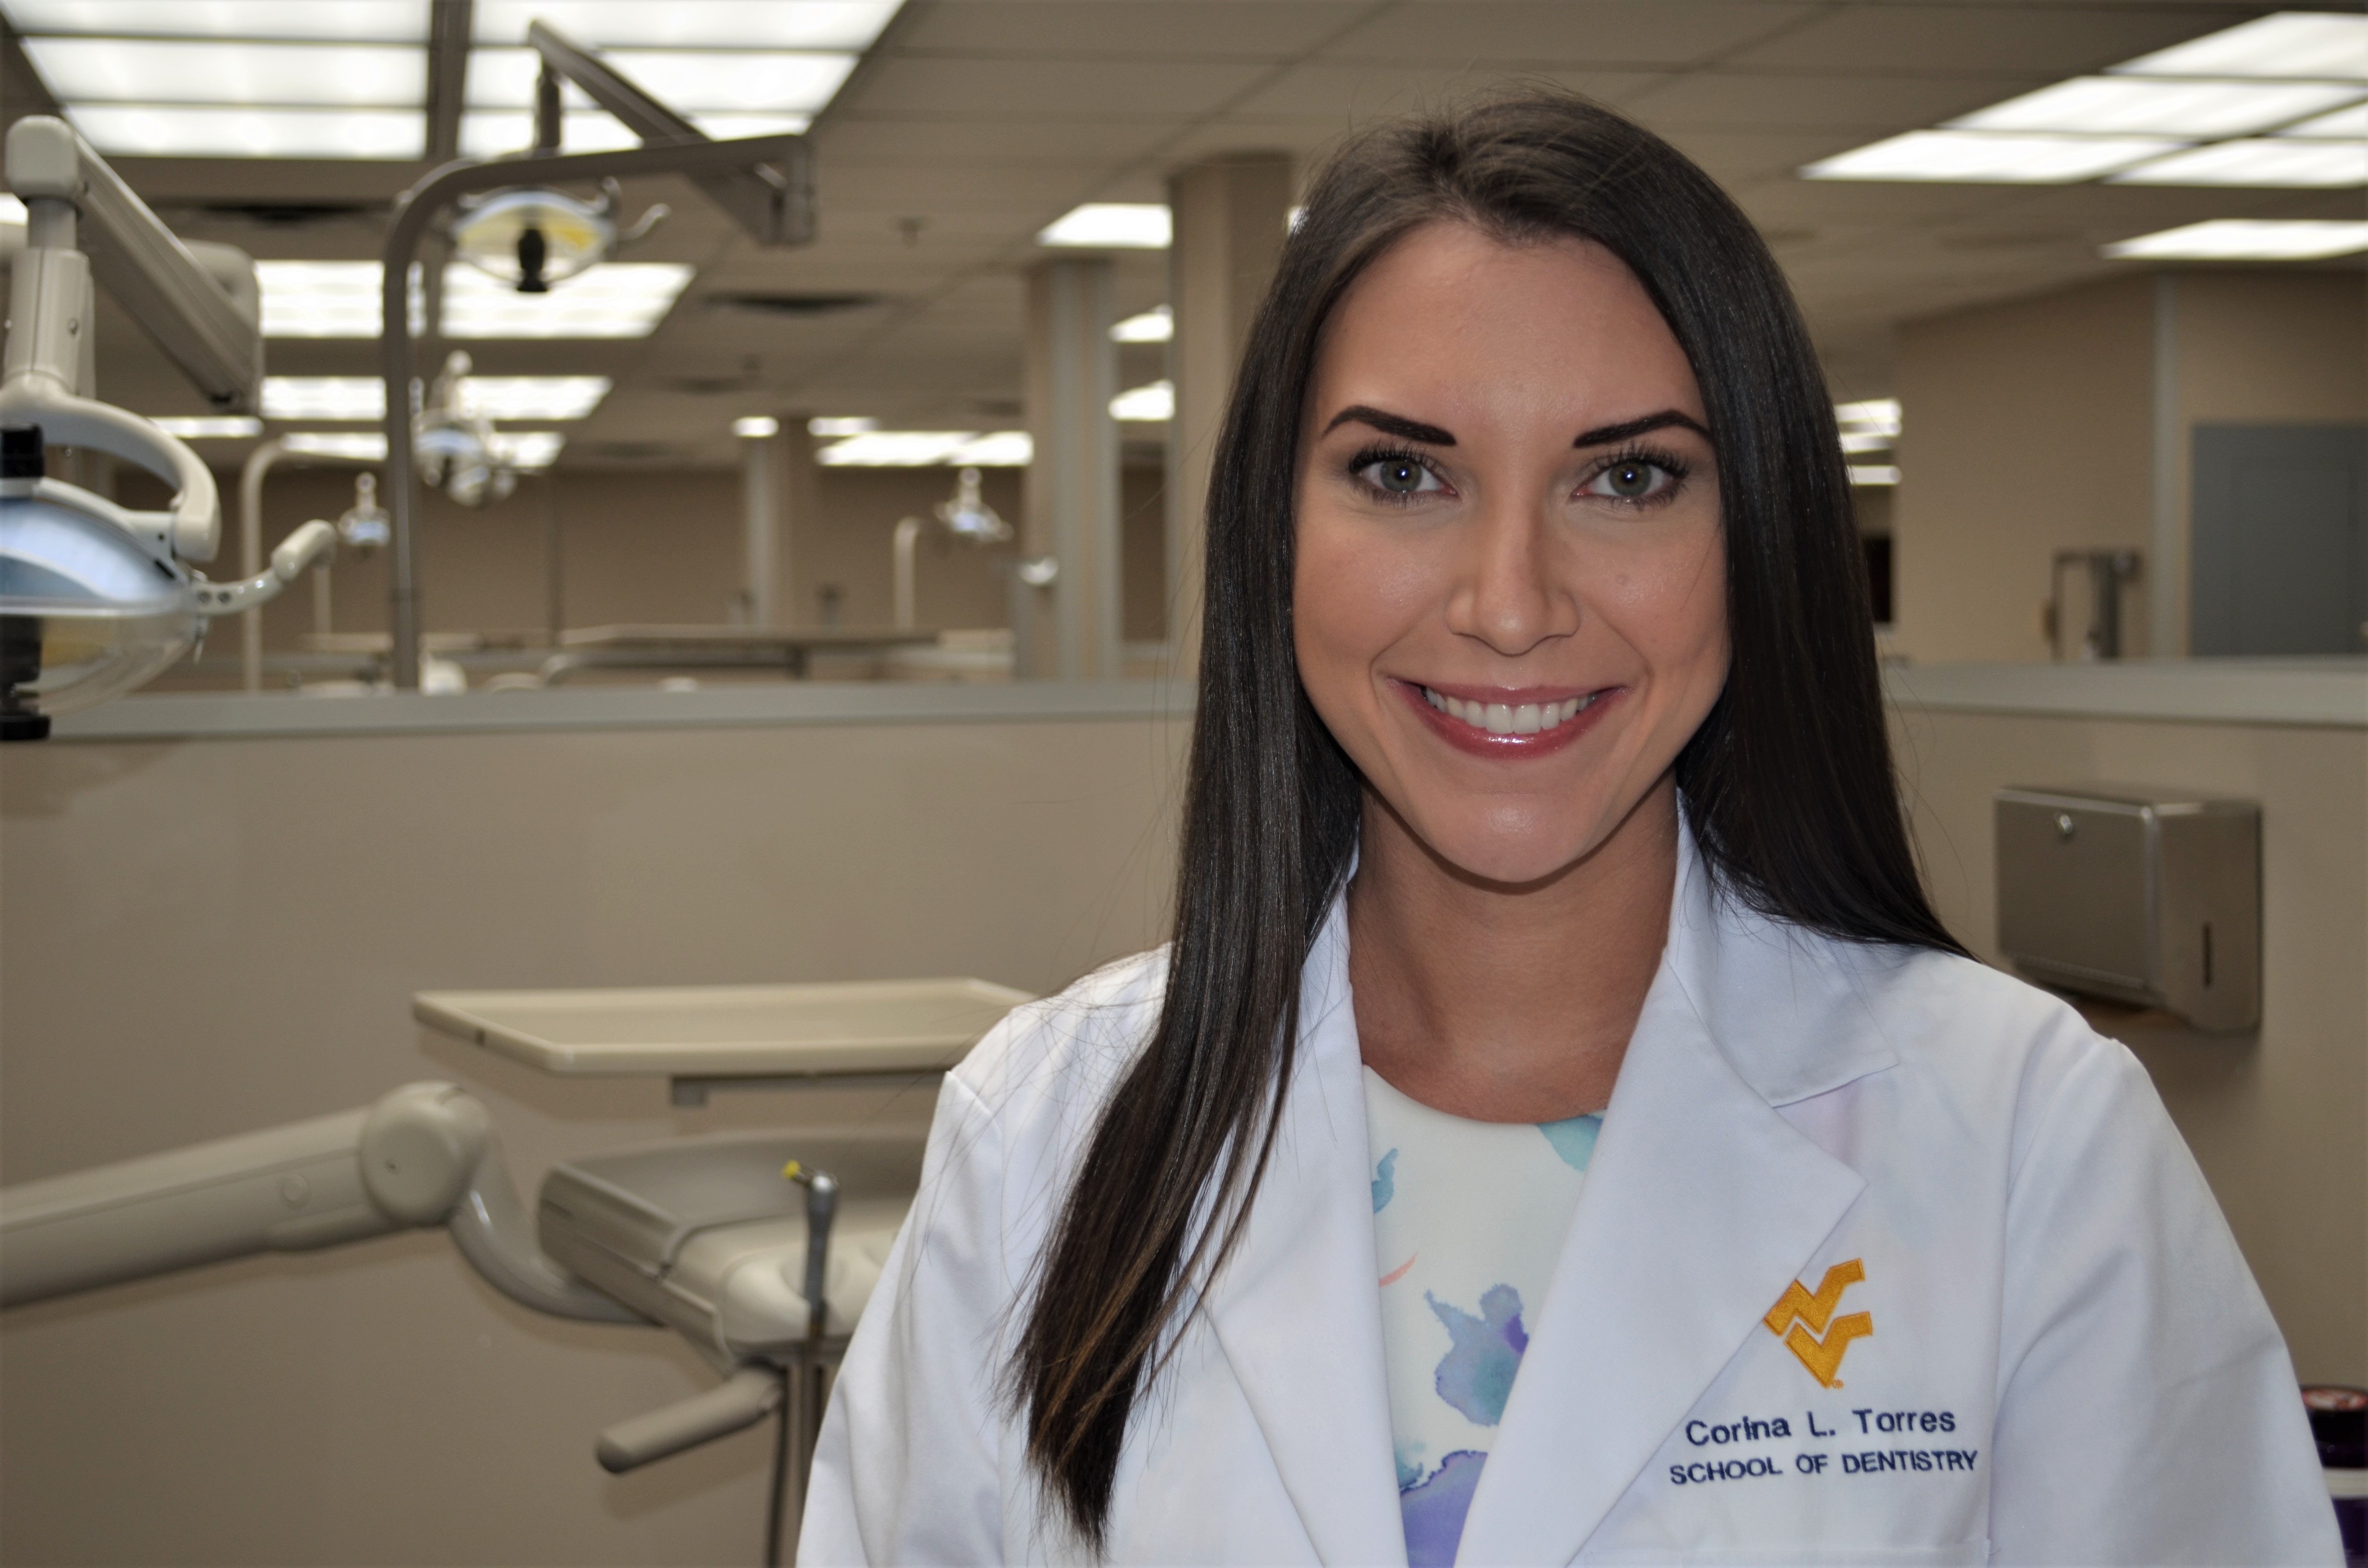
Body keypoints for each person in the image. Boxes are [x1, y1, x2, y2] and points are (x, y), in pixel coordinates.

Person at [799, 93, 2337, 1567]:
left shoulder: (2027, 1141)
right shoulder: (1047, 1140)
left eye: (1629, 477)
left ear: (1761, 542)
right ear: (1277, 534)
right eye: (1402, 474)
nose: (1512, 604)